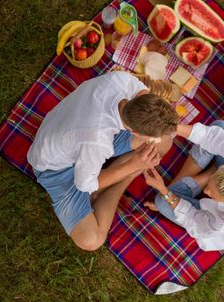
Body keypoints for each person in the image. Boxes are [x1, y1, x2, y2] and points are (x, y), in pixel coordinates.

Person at [27, 71, 179, 251]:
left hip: (66, 131)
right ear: (134, 132)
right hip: (54, 168)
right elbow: (85, 184)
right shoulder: (98, 140)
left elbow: (142, 95)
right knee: (91, 240)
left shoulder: (119, 79)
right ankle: (125, 179)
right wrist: (133, 166)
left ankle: (123, 173)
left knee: (165, 141)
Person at [143, 120, 224, 251]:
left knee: (161, 201)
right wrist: (169, 126)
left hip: (222, 223)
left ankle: (208, 174)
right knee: (221, 127)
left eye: (212, 194)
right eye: (209, 185)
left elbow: (191, 218)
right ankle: (210, 172)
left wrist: (164, 190)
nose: (205, 192)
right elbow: (211, 137)